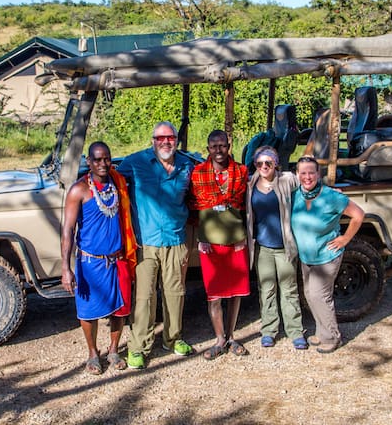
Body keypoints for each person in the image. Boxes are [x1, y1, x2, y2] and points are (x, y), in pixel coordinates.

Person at [117, 121, 195, 369]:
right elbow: (111, 177)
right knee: (144, 297)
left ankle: (173, 339)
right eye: (160, 138)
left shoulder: (187, 164)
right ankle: (139, 347)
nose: (165, 142)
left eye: (170, 138)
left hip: (176, 239)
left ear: (176, 140)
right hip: (145, 242)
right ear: (153, 141)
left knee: (175, 293)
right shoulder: (136, 163)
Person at [60, 141, 138, 374]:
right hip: (90, 262)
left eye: (107, 159)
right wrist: (66, 268)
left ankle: (113, 349)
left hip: (117, 260)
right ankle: (93, 353)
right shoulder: (79, 190)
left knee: (120, 309)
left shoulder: (117, 182)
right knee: (88, 311)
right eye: (97, 160)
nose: (103, 164)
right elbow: (68, 230)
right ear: (88, 162)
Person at [290, 155, 364, 353]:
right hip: (307, 257)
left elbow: (358, 214)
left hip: (326, 256)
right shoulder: (295, 195)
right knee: (310, 295)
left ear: (318, 174)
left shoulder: (332, 196)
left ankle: (332, 337)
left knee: (319, 295)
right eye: (303, 173)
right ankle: (322, 333)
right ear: (297, 174)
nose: (307, 177)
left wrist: (345, 239)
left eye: (311, 173)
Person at [189, 129, 250, 360]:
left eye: (222, 146)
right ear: (208, 149)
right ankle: (219, 339)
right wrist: (201, 238)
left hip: (236, 242)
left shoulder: (241, 172)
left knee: (236, 293)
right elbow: (193, 206)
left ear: (229, 145)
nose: (218, 150)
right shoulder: (198, 174)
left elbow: (247, 207)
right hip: (209, 244)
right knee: (214, 294)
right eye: (214, 146)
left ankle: (232, 336)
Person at [246, 146, 308, 350]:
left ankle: (295, 331)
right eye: (259, 163)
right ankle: (269, 330)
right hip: (262, 247)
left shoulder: (286, 180)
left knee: (289, 289)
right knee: (266, 289)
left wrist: (328, 191)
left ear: (276, 164)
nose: (264, 167)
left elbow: (309, 183)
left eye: (268, 163)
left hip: (285, 247)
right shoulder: (251, 183)